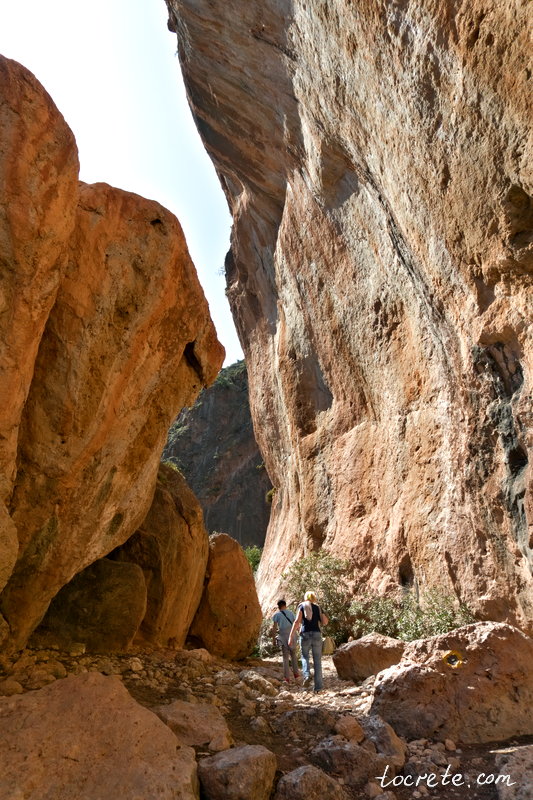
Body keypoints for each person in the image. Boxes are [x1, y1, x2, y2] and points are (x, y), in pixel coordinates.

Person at [288, 591, 329, 692]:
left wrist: (291, 635)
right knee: (317, 662)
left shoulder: (301, 606)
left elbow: (297, 621)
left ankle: (307, 675)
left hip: (305, 634)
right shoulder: (318, 607)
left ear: (305, 597)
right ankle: (318, 688)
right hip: (317, 634)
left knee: (305, 656)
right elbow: (325, 622)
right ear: (314, 598)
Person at [272, 599, 300, 683]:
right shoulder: (291, 613)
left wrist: (273, 639)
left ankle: (287, 678)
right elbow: (296, 624)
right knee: (293, 655)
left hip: (283, 636)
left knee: (285, 657)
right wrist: (299, 633)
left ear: (278, 607)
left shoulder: (276, 615)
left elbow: (274, 628)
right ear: (285, 605)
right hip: (292, 635)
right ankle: (296, 674)